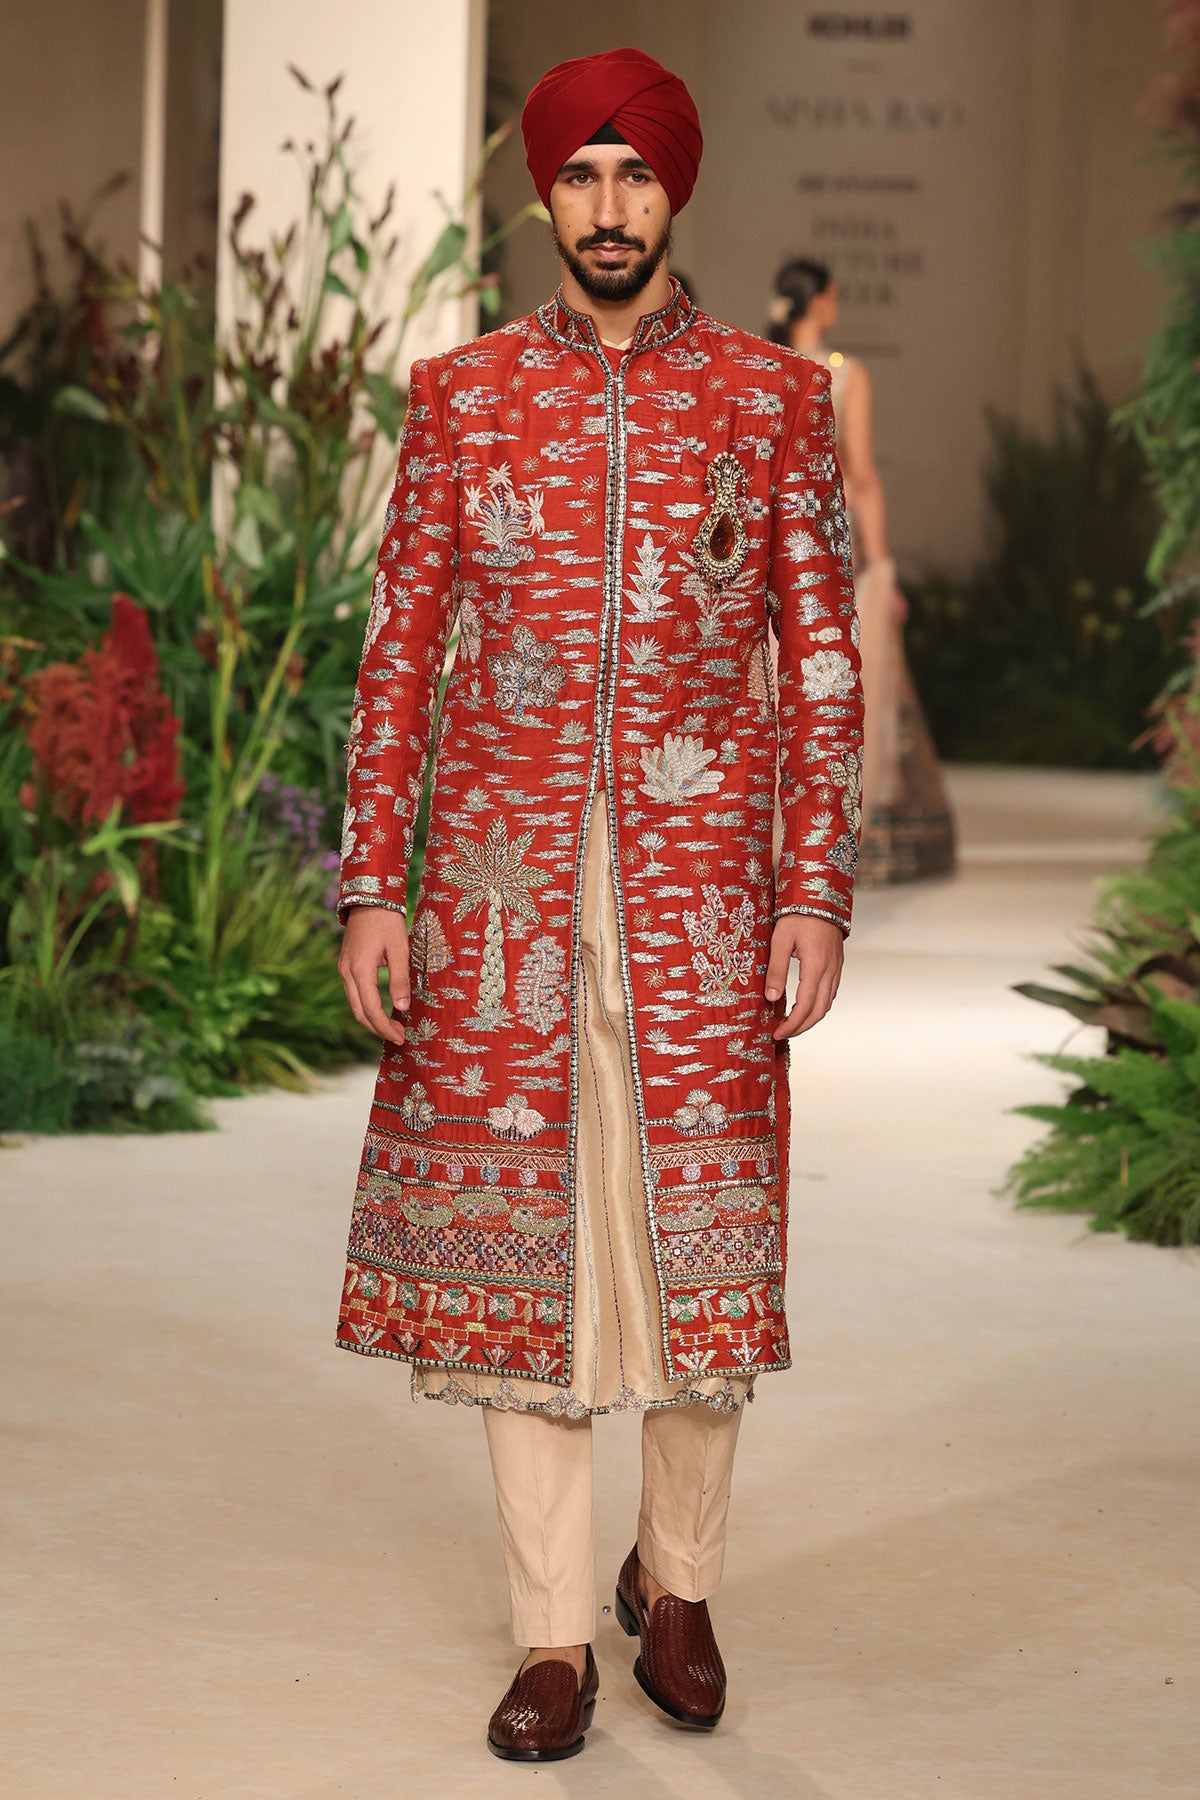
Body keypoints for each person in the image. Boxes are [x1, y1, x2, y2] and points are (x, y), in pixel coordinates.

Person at [334, 48, 864, 1763]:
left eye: (637, 175)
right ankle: (553, 1635)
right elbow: (398, 657)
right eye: (582, 175)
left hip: (703, 894)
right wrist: (373, 885)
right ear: (545, 195)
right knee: (526, 1253)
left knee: (704, 1238)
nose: (611, 207)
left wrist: (816, 892)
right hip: (502, 897)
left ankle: (681, 1587)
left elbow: (824, 665)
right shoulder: (463, 396)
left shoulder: (772, 401)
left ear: (675, 189)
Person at [768, 257, 956, 884]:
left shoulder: (760, 367)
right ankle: (838, 837)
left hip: (770, 544)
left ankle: (770, 836)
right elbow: (863, 476)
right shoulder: (843, 373)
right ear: (821, 302)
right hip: (828, 541)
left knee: (776, 682)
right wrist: (882, 563)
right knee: (842, 682)